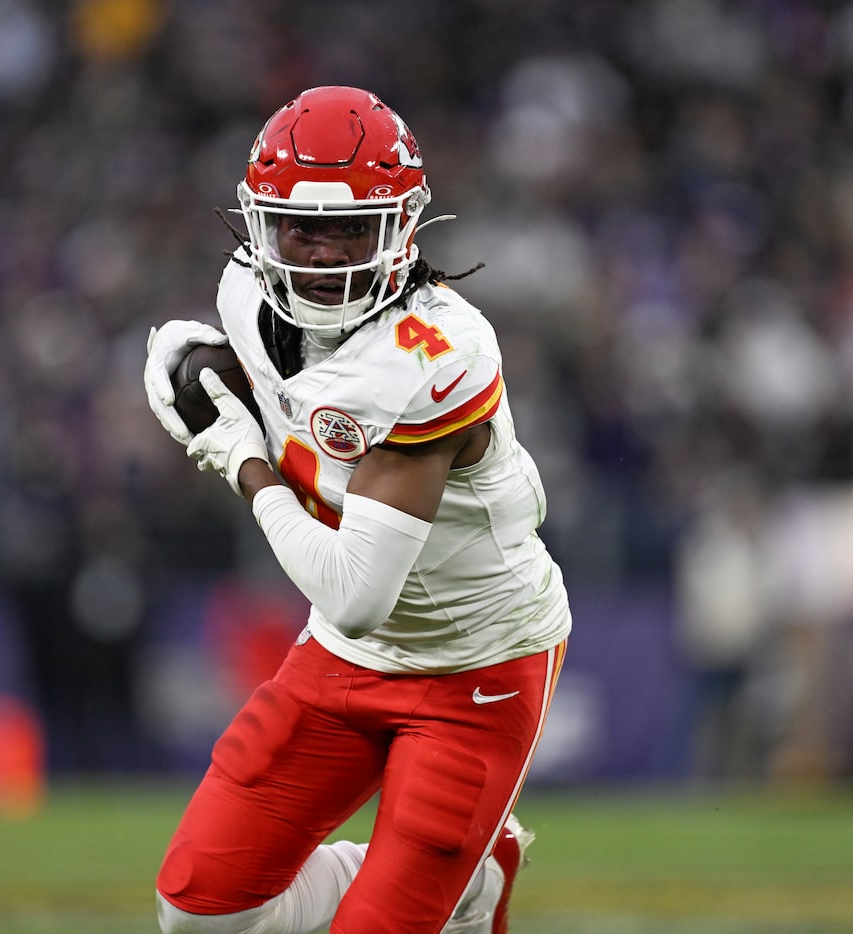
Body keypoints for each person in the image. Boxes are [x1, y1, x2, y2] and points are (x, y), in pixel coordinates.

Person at [144, 86, 571, 934]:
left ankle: (471, 883)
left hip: (472, 664)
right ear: (260, 226)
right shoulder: (245, 293)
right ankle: (464, 876)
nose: (321, 253)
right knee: (198, 912)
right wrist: (185, 371)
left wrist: (237, 458)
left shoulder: (434, 355)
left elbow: (353, 589)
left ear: (403, 229)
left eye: (350, 228)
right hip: (346, 656)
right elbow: (254, 381)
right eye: (300, 227)